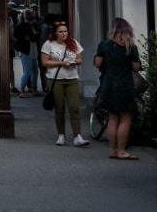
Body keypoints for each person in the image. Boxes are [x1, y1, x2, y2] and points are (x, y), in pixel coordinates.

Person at [93, 17, 143, 160]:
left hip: (108, 84)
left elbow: (97, 63)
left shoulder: (104, 45)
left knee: (112, 118)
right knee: (126, 118)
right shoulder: (131, 47)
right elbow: (136, 67)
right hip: (125, 84)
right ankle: (121, 151)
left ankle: (112, 150)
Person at [41, 21, 89, 147]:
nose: (64, 34)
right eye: (61, 31)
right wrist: (61, 63)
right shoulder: (49, 44)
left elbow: (80, 59)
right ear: (55, 33)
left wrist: (74, 62)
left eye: (66, 31)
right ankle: (61, 135)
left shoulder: (73, 43)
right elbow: (45, 62)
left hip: (72, 78)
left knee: (74, 107)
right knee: (59, 108)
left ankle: (77, 136)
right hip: (55, 79)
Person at [13, 11, 41, 97]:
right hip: (26, 51)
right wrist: (29, 38)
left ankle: (33, 89)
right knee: (28, 71)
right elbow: (34, 38)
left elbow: (34, 37)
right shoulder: (23, 26)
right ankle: (22, 91)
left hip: (32, 50)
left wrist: (30, 37)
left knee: (35, 71)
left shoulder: (33, 26)